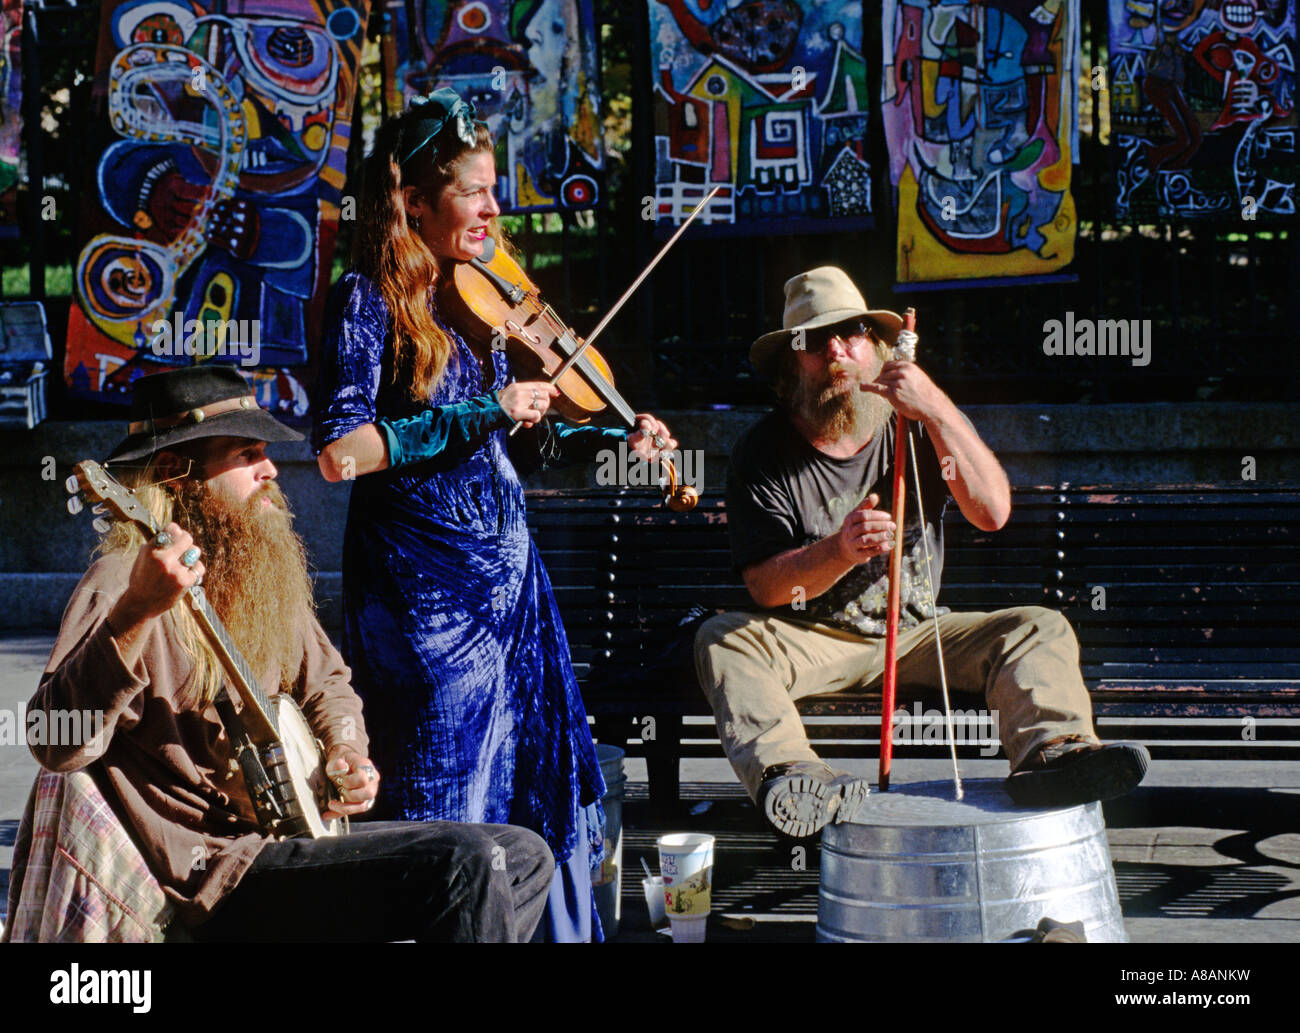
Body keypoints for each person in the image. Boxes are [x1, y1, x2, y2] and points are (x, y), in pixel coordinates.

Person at [312, 87, 677, 941]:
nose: (491, 209)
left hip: (507, 582)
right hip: (425, 597)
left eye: (494, 189)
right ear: (413, 202)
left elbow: (513, 445)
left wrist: (616, 433)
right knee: (449, 774)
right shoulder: (366, 299)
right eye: (472, 191)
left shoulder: (487, 299)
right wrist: (481, 410)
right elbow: (343, 451)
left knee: (522, 772)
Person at [20, 366, 553, 941]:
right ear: (178, 474)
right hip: (214, 871)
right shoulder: (123, 581)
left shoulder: (258, 570)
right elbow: (54, 740)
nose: (270, 469)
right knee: (465, 861)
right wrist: (137, 613)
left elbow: (328, 682)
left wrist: (348, 750)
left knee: (522, 852)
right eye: (247, 454)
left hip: (289, 839)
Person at [694, 267, 1150, 839]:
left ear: (878, 345)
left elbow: (992, 512)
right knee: (723, 639)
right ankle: (796, 780)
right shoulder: (762, 452)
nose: (836, 349)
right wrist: (839, 550)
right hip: (810, 639)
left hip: (917, 634)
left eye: (852, 331)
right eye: (813, 340)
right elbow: (767, 589)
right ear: (793, 361)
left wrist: (935, 407)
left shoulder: (913, 427)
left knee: (1039, 627)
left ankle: (1054, 756)